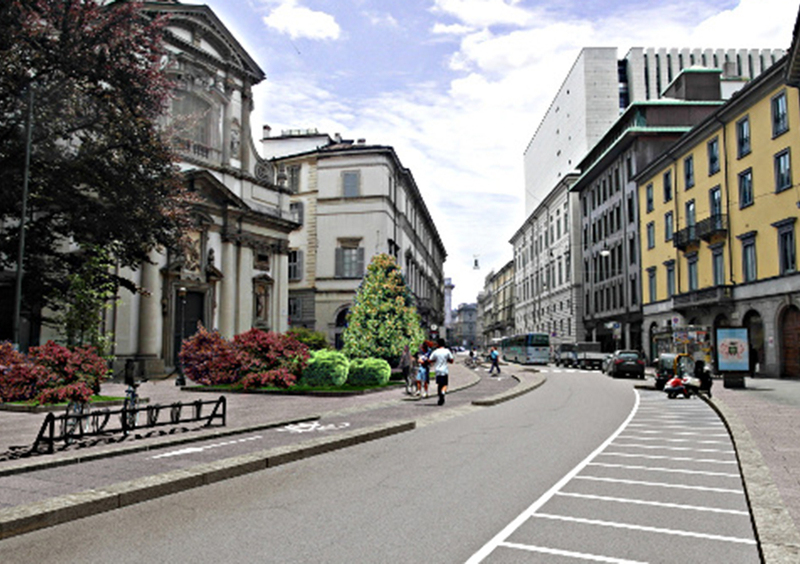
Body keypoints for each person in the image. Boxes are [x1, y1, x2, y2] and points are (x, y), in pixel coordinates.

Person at [429, 338, 454, 405]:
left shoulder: (435, 352)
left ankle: (440, 398)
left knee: (439, 385)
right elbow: (451, 360)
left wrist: (435, 361)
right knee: (445, 384)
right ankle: (443, 393)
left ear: (438, 344)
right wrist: (446, 360)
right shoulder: (447, 351)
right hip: (444, 370)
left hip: (437, 370)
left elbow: (430, 360)